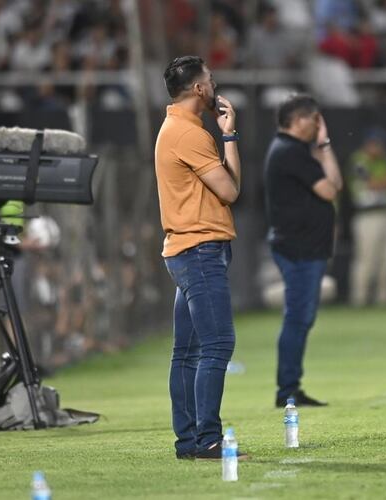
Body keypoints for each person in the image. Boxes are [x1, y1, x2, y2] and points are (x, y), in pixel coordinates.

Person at [154, 56, 243, 460]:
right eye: (209, 79)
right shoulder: (188, 134)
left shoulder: (177, 127)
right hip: (199, 249)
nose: (213, 84)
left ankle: (189, 441)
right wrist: (230, 137)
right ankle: (207, 439)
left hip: (188, 249)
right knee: (218, 345)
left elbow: (226, 187)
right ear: (198, 89)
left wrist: (226, 136)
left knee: (188, 352)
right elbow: (230, 190)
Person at [264, 93, 343, 407]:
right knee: (298, 318)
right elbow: (328, 189)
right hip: (298, 249)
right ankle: (287, 390)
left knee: (301, 318)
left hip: (304, 247)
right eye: (315, 119)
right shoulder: (290, 151)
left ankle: (290, 387)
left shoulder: (294, 150)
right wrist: (323, 147)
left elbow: (335, 184)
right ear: (298, 120)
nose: (318, 125)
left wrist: (322, 146)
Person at [348, 127, 386, 305]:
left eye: (381, 144)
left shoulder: (384, 161)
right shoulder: (359, 160)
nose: (380, 148)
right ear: (368, 145)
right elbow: (371, 184)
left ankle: (384, 300)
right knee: (367, 259)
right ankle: (360, 299)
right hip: (367, 216)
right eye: (376, 144)